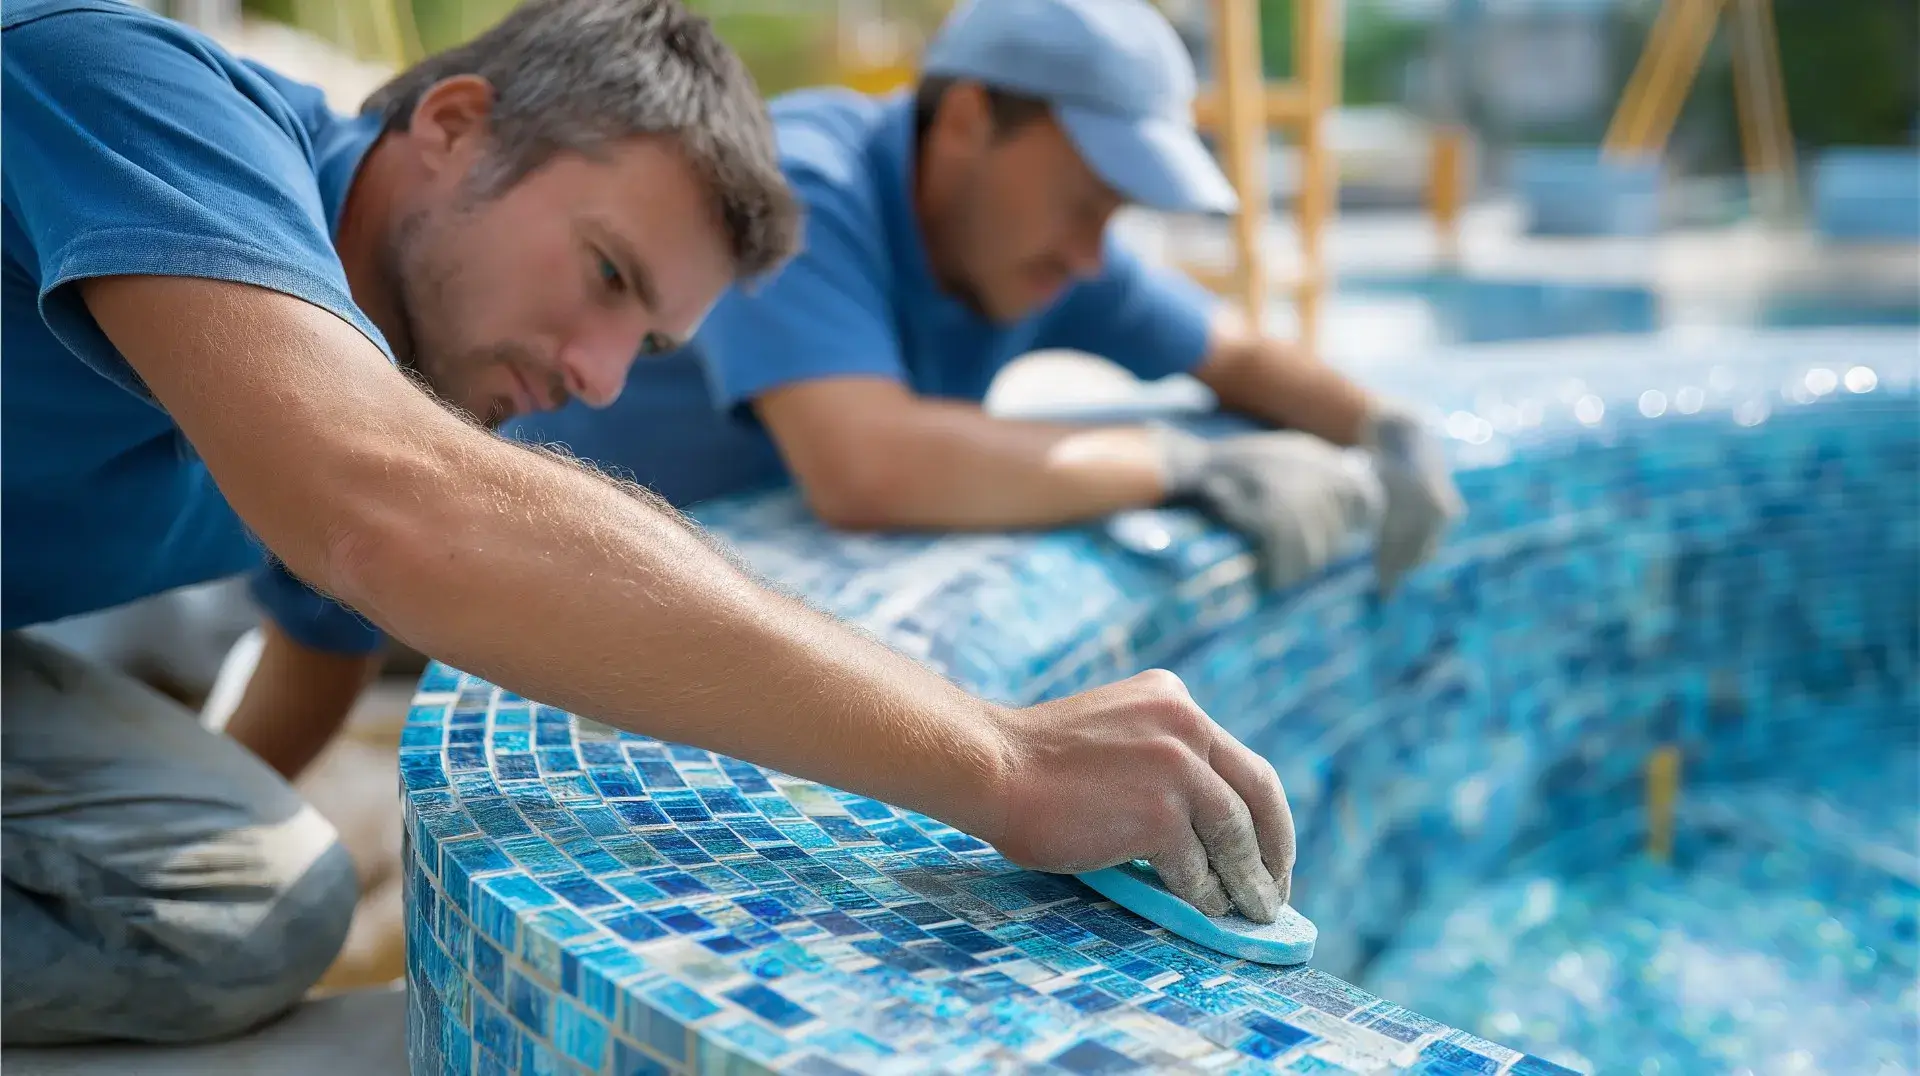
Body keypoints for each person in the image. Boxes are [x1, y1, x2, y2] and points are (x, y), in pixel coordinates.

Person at [1, 0, 1296, 1045]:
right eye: (608, 276)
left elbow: (341, 604)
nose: (602, 377)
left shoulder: (379, 364)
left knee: (244, 905)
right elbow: (390, 514)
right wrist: (999, 759)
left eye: (651, 338)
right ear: (454, 125)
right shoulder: (120, 87)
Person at [503, 0, 1465, 596]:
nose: (1096, 253)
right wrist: (1182, 465)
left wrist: (1382, 425)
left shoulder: (1036, 244)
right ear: (967, 117)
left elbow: (1239, 357)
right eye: (1089, 200)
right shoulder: (800, 184)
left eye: (1117, 213)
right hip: (487, 585)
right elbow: (865, 470)